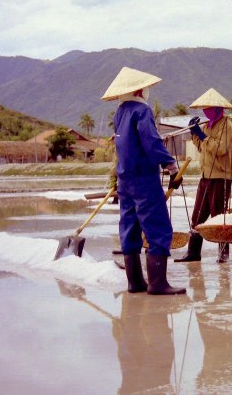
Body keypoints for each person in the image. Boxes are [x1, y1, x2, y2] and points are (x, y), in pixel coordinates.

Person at [101, 66, 185, 295]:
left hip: (125, 177)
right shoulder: (142, 111)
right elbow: (150, 140)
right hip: (143, 178)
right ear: (139, 90)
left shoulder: (120, 112)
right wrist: (169, 163)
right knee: (157, 226)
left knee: (129, 226)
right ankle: (158, 284)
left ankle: (135, 282)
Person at [177, 88, 232, 264]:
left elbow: (221, 148)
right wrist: (195, 133)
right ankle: (193, 252)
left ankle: (223, 254)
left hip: (220, 176)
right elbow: (202, 147)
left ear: (218, 108)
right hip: (206, 175)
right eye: (204, 109)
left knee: (219, 217)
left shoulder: (227, 124)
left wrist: (202, 136)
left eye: (209, 108)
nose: (206, 112)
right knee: (198, 216)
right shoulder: (206, 125)